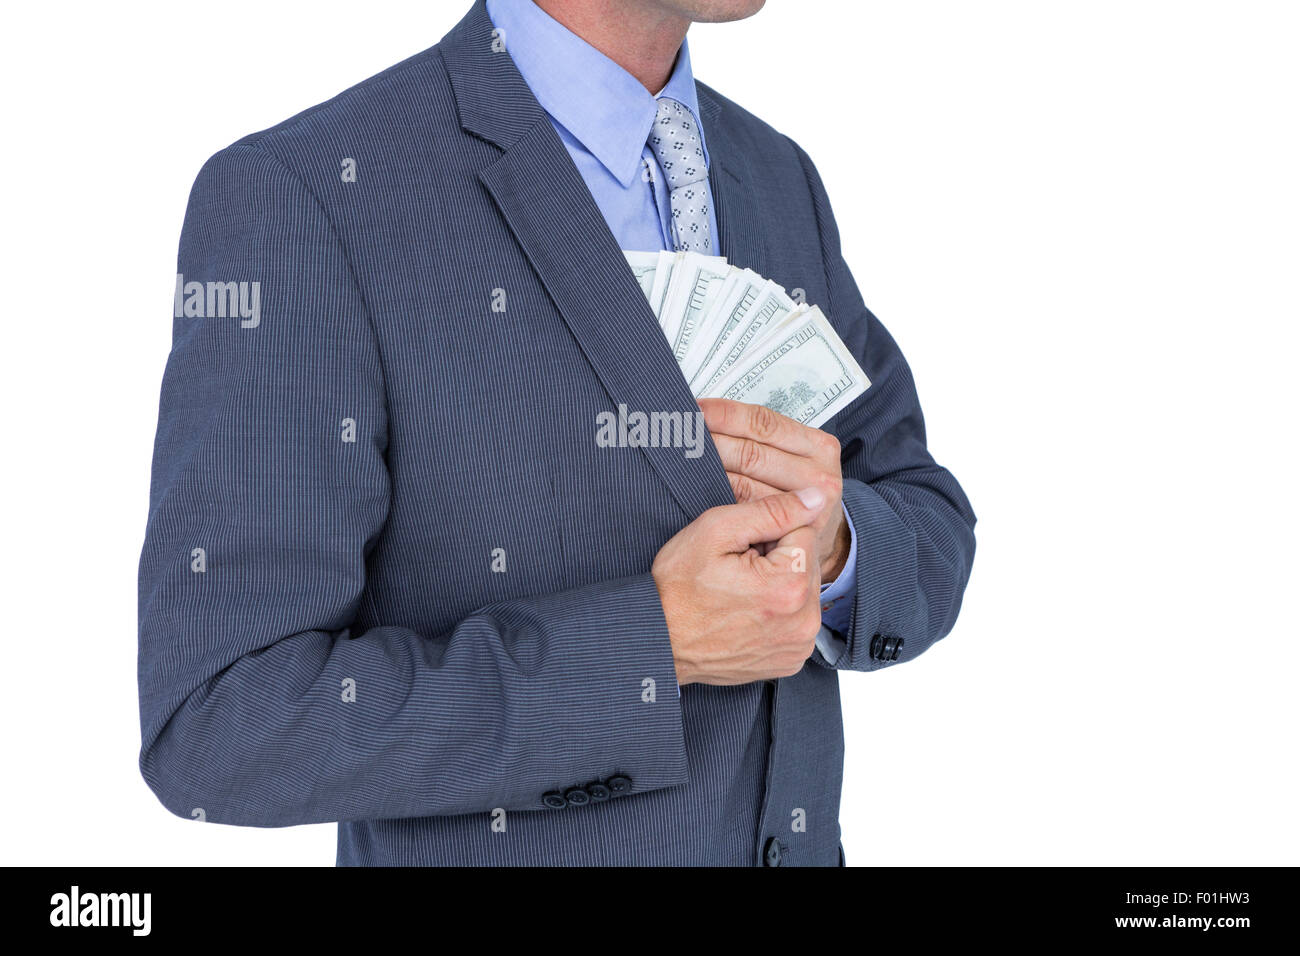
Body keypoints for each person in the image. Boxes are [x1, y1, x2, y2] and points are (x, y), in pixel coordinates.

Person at [138, 0, 977, 866]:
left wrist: (836, 553)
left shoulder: (773, 176)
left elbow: (927, 518)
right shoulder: (310, 196)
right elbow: (219, 726)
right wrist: (650, 651)